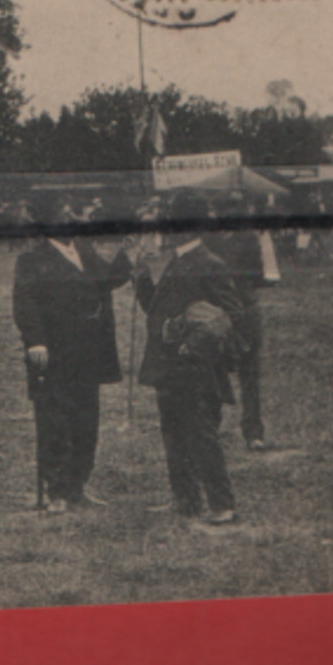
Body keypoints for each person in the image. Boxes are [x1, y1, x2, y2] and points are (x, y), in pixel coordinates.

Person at [11, 192, 132, 513]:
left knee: (86, 422)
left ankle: (78, 484)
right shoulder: (31, 260)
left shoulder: (84, 248)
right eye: (65, 214)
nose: (72, 219)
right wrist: (35, 342)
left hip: (88, 352)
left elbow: (106, 280)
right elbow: (24, 305)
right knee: (55, 424)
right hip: (54, 355)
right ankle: (58, 492)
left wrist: (129, 255)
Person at [134, 192, 246, 525]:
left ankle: (222, 504)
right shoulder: (179, 260)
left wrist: (194, 345)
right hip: (169, 368)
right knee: (173, 434)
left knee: (201, 436)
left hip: (195, 369)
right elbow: (155, 309)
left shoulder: (209, 263)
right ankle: (185, 499)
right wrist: (141, 277)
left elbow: (232, 316)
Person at [215, 192, 277, 450]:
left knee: (217, 369)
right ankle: (253, 432)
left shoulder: (213, 240)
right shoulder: (250, 237)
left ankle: (216, 424)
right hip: (241, 307)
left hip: (223, 309)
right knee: (246, 374)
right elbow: (263, 278)